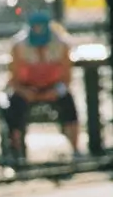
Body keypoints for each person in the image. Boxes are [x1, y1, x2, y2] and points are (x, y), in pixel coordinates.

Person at [5, 9, 80, 159]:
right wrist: (24, 91)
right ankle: (16, 149)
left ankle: (75, 148)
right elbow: (12, 80)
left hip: (53, 87)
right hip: (26, 88)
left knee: (69, 105)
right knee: (13, 108)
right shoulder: (18, 46)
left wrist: (55, 91)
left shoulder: (61, 44)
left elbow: (67, 79)